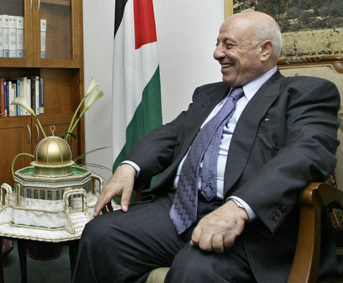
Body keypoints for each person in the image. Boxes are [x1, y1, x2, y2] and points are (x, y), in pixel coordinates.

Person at [74, 11, 341, 282]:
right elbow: (170, 134)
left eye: (228, 44)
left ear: (265, 50)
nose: (217, 53)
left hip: (253, 224)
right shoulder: (208, 94)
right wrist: (129, 167)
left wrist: (239, 207)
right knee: (100, 234)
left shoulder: (306, 93)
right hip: (181, 208)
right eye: (217, 43)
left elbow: (307, 153)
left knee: (193, 270)